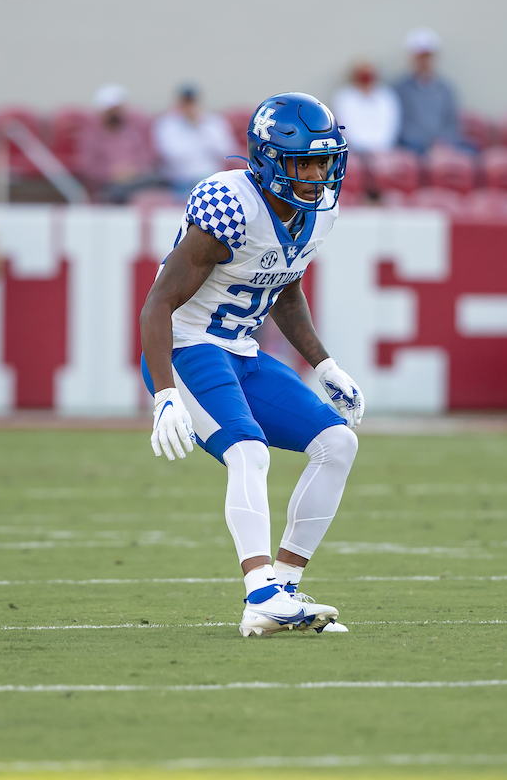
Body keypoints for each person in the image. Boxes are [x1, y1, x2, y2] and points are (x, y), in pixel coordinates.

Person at [138, 92, 362, 638]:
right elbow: (158, 304)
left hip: (241, 350)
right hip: (188, 347)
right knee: (248, 451)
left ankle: (284, 588)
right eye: (304, 163)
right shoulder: (230, 205)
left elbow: (284, 288)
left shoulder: (319, 212)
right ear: (269, 159)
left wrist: (324, 364)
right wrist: (164, 394)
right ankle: (260, 595)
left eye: (324, 162)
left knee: (338, 443)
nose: (317, 176)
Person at [75, 83, 160, 203]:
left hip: (138, 180)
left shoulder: (136, 130)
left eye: (118, 109)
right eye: (111, 110)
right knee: (116, 191)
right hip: (107, 185)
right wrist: (112, 173)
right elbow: (88, 166)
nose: (115, 114)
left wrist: (133, 171)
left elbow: (148, 155)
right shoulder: (91, 135)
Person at [152, 83, 239, 197]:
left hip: (210, 178)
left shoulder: (214, 121)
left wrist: (200, 128)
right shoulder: (167, 123)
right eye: (185, 102)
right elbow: (170, 153)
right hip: (177, 180)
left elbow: (227, 150)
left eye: (191, 102)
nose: (189, 106)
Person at [393, 28, 460, 154]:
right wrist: (427, 143)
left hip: (443, 145)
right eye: (420, 57)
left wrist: (442, 141)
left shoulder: (445, 89)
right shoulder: (401, 89)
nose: (424, 61)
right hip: (413, 145)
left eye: (428, 56)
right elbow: (401, 125)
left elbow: (451, 123)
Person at [332, 61, 400, 155]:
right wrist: (364, 149)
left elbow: (391, 126)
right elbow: (346, 129)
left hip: (384, 149)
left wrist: (379, 148)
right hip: (354, 150)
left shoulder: (386, 95)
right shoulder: (344, 97)